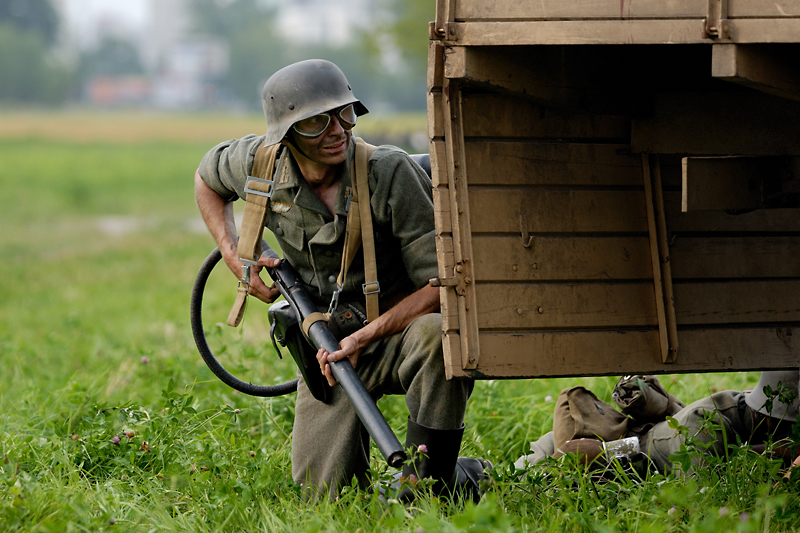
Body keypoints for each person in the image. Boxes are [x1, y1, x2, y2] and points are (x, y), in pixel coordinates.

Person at [194, 59, 489, 500]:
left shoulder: (389, 173)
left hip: (399, 332)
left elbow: (440, 287)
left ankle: (440, 481)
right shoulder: (258, 164)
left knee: (438, 334)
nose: (337, 130)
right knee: (324, 498)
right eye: (316, 121)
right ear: (286, 133)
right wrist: (238, 257)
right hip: (327, 350)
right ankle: (432, 478)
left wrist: (366, 335)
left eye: (344, 113)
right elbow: (206, 177)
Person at [515, 371, 799, 476]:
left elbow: (752, 452)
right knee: (548, 463)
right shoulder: (705, 426)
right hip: (627, 448)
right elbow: (698, 492)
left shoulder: (745, 412)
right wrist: (607, 452)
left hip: (631, 441)